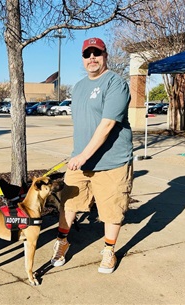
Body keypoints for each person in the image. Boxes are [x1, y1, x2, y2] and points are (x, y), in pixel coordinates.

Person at [50, 37, 133, 274]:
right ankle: (62, 242)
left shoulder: (116, 83)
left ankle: (109, 250)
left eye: (97, 53)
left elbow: (107, 124)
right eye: (88, 54)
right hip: (80, 160)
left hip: (112, 162)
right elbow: (84, 123)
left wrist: (83, 155)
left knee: (112, 208)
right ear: (83, 58)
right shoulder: (78, 87)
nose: (92, 58)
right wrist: (79, 154)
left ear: (106, 55)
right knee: (69, 203)